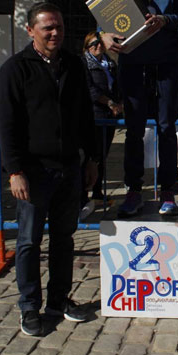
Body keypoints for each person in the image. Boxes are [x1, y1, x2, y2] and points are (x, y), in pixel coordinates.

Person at [0, 2, 98, 337]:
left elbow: (85, 116)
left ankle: (58, 300)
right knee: (28, 242)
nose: (55, 33)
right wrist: (15, 171)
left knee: (63, 239)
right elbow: (6, 125)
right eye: (47, 28)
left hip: (68, 168)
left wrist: (92, 159)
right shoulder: (15, 68)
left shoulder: (74, 64)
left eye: (59, 27)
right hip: (33, 172)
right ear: (31, 31)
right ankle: (29, 307)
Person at [101, 0, 178, 217]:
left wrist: (165, 20)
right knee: (134, 129)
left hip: (166, 61)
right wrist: (104, 35)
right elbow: (105, 18)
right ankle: (134, 191)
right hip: (133, 60)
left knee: (167, 127)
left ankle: (168, 191)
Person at [80, 31, 122, 219]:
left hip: (109, 116)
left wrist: (119, 103)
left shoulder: (110, 63)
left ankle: (97, 192)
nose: (98, 46)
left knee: (102, 154)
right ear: (87, 47)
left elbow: (117, 85)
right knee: (91, 155)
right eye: (93, 44)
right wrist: (109, 102)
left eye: (100, 43)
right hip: (93, 115)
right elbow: (90, 89)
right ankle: (83, 195)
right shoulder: (84, 64)